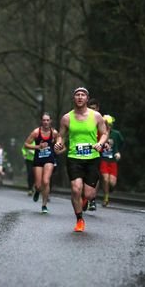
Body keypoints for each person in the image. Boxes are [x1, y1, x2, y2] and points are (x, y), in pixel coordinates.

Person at [54, 87, 108, 232]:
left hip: (92, 158)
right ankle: (79, 219)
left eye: (82, 95)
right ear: (74, 98)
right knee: (76, 189)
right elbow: (61, 135)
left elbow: (104, 133)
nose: (79, 97)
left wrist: (100, 143)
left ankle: (84, 201)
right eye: (77, 95)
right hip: (74, 157)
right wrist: (59, 143)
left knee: (89, 194)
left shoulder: (96, 116)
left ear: (87, 98)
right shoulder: (67, 118)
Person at [24, 112, 61, 213]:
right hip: (38, 159)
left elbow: (60, 140)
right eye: (44, 120)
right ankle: (37, 190)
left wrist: (58, 145)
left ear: (51, 121)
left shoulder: (54, 132)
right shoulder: (36, 132)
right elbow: (26, 144)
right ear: (41, 121)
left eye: (47, 120)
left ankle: (44, 205)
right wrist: (37, 147)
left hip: (49, 158)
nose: (46, 122)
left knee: (46, 181)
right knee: (38, 185)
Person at [100, 114, 124, 206]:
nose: (107, 126)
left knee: (112, 183)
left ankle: (108, 189)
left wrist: (118, 152)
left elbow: (121, 143)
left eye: (109, 124)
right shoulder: (100, 134)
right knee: (105, 179)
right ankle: (106, 197)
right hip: (104, 160)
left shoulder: (116, 134)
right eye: (105, 124)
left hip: (113, 161)